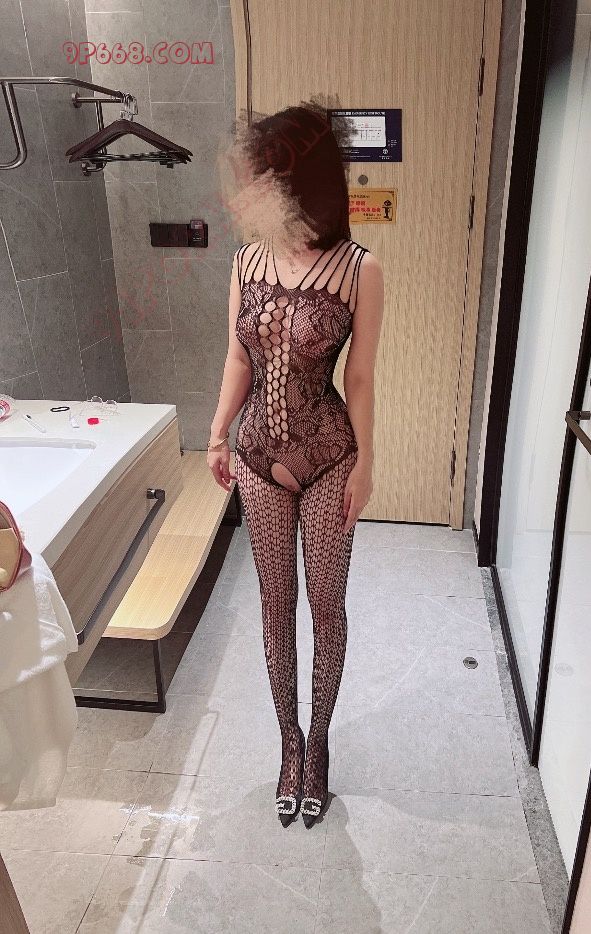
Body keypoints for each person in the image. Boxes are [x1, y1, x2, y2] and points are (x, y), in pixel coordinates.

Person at [208, 103, 384, 828]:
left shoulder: (360, 269)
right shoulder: (246, 261)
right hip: (256, 455)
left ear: (298, 183)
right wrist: (217, 435)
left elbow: (360, 378)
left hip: (327, 458)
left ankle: (320, 744)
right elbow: (238, 357)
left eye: (262, 176)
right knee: (275, 604)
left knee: (326, 604)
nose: (249, 189)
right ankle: (290, 745)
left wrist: (365, 463)